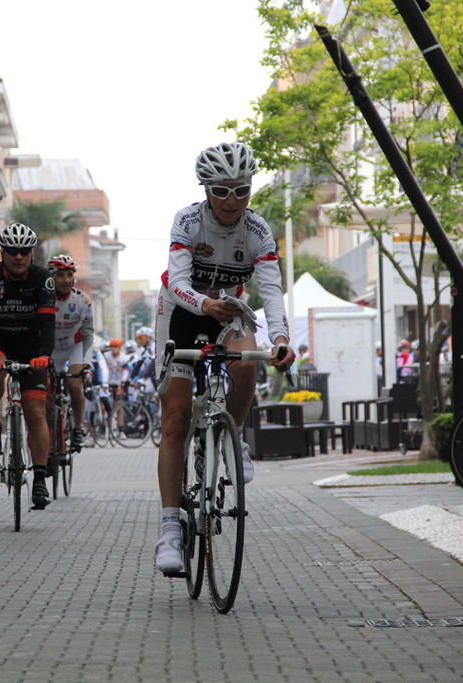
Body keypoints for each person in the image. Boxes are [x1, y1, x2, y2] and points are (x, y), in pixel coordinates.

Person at [154, 142, 294, 575]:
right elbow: (177, 281)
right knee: (175, 418)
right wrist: (204, 303)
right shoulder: (188, 221)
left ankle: (232, 436)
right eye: (221, 191)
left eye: (241, 191)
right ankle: (170, 530)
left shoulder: (257, 230)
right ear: (205, 190)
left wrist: (281, 338)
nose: (232, 201)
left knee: (247, 361)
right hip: (180, 312)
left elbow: (271, 290)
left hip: (228, 312)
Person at [0, 222, 56, 509]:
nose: (18, 256)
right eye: (11, 251)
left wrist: (44, 355)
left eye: (24, 251)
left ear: (31, 253)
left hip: (32, 346)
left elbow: (48, 322)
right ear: (2, 253)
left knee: (35, 411)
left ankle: (40, 480)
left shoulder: (43, 278)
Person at [46, 254, 93, 451]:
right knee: (47, 393)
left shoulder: (83, 300)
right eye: (60, 275)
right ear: (51, 278)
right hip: (51, 348)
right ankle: (49, 435)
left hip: (74, 346)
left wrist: (86, 363)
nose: (66, 280)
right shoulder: (44, 298)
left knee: (74, 384)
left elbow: (88, 333)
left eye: (70, 275)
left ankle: (78, 427)